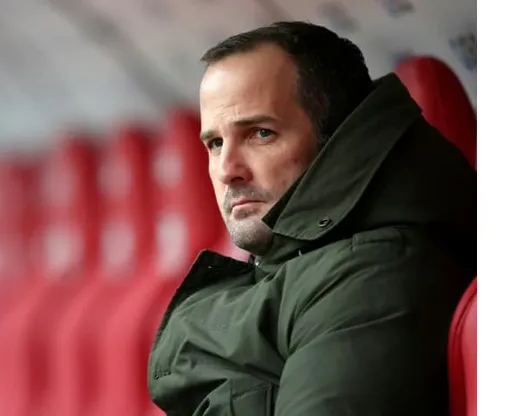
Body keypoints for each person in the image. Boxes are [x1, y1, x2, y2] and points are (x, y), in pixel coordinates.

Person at [147, 21, 475, 415]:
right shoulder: (293, 261)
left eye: (260, 133)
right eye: (215, 143)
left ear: (336, 138)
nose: (227, 169)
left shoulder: (371, 277)